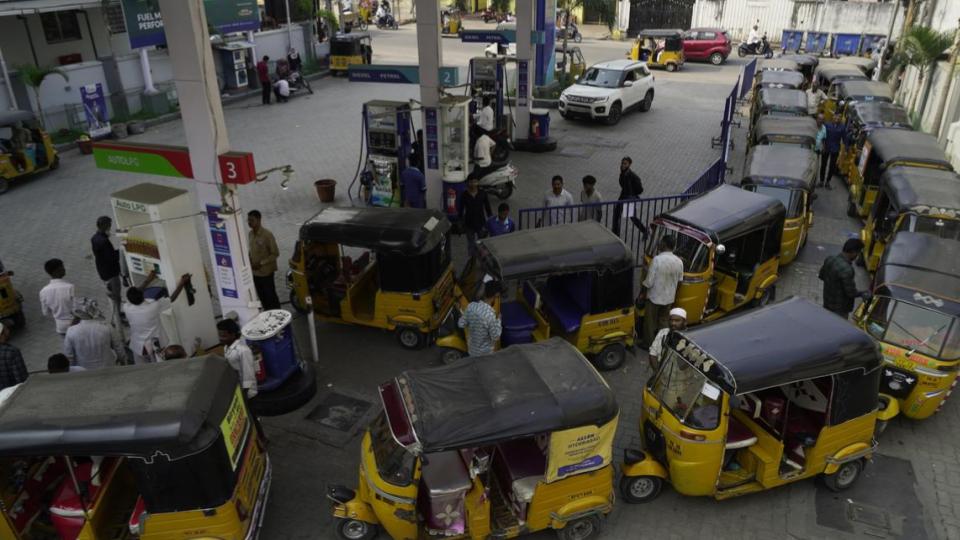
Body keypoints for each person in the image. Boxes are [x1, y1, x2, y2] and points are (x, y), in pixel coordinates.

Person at [123, 270, 192, 363]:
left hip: (138, 346)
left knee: (142, 369)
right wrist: (182, 283)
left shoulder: (127, 307)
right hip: (154, 345)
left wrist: (148, 279)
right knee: (159, 366)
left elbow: (137, 292)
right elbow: (172, 298)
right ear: (142, 295)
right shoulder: (153, 306)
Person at [642, 235, 684, 348]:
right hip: (669, 298)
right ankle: (662, 343)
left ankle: (649, 345)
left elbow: (649, 282)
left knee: (650, 323)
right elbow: (680, 282)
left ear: (664, 245)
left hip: (654, 298)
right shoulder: (679, 262)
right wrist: (673, 294)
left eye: (660, 243)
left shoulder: (657, 260)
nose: (659, 244)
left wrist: (642, 293)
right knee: (664, 322)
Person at [63, 298, 122, 370]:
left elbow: (69, 356)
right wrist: (122, 360)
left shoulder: (71, 331)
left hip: (84, 370)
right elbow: (118, 347)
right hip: (108, 367)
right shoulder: (106, 327)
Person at [819, 238, 869, 319]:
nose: (857, 256)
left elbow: (821, 276)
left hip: (827, 303)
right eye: (858, 253)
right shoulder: (847, 269)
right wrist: (862, 293)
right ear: (853, 252)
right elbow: (851, 293)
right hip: (840, 310)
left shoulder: (829, 259)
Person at [458, 280, 502, 356]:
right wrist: (499, 321)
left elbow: (461, 324)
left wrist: (463, 313)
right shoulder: (490, 316)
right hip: (485, 354)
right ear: (497, 294)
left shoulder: (471, 306)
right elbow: (495, 337)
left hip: (472, 350)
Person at [91, 216, 123, 323]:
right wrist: (121, 251)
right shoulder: (104, 241)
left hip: (103, 271)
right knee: (116, 295)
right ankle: (117, 317)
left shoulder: (95, 238)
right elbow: (112, 258)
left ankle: (117, 313)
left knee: (113, 293)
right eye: (109, 224)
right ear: (105, 225)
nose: (110, 227)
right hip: (111, 272)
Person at [217, 319, 258, 398]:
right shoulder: (226, 347)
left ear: (233, 335)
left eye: (224, 336)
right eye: (220, 335)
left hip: (247, 393)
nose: (220, 338)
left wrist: (244, 395)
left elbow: (248, 375)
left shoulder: (243, 351)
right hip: (237, 387)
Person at [39, 258, 76, 335]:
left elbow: (45, 312)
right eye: (62, 267)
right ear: (57, 271)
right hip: (74, 324)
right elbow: (77, 308)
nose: (64, 269)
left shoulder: (43, 292)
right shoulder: (69, 287)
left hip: (61, 327)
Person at [458, 177, 492, 255]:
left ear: (477, 182)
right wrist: (459, 223)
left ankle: (482, 261)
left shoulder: (482, 193)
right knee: (471, 244)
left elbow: (488, 207)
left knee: (482, 244)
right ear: (468, 183)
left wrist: (490, 220)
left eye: (475, 182)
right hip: (469, 224)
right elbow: (461, 209)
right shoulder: (464, 195)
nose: (473, 184)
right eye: (471, 182)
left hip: (481, 223)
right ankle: (472, 261)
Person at [647, 307, 687, 372]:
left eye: (677, 320)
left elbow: (682, 367)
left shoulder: (689, 339)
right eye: (671, 320)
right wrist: (657, 372)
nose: (673, 323)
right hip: (661, 374)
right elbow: (652, 354)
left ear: (685, 322)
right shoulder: (663, 332)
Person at [612, 157, 644, 236]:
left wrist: (632, 194)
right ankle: (615, 234)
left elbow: (640, 189)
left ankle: (645, 231)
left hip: (629, 199)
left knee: (632, 217)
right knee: (616, 215)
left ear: (629, 164)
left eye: (625, 163)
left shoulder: (631, 175)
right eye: (622, 163)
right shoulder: (623, 173)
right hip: (623, 197)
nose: (623, 165)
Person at [815, 117, 846, 189]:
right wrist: (822, 145)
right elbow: (823, 134)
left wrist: (846, 148)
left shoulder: (842, 127)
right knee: (823, 165)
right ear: (833, 117)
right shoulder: (827, 125)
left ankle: (828, 182)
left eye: (839, 118)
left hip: (835, 149)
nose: (837, 119)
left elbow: (844, 138)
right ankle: (821, 181)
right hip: (826, 148)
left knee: (832, 167)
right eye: (835, 117)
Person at [0, 323, 27, 390]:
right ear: (2, 334)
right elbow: (21, 379)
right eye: (6, 328)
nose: (8, 330)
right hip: (12, 394)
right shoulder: (12, 352)